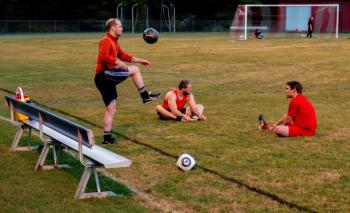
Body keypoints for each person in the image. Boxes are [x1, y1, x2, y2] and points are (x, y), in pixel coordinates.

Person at [95, 18, 161, 144]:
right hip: (104, 75)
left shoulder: (114, 42)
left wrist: (141, 60)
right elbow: (104, 57)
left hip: (103, 78)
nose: (122, 28)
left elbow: (124, 56)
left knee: (111, 108)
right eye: (119, 26)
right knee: (134, 70)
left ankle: (107, 138)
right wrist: (117, 62)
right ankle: (145, 96)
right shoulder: (105, 40)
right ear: (113, 27)